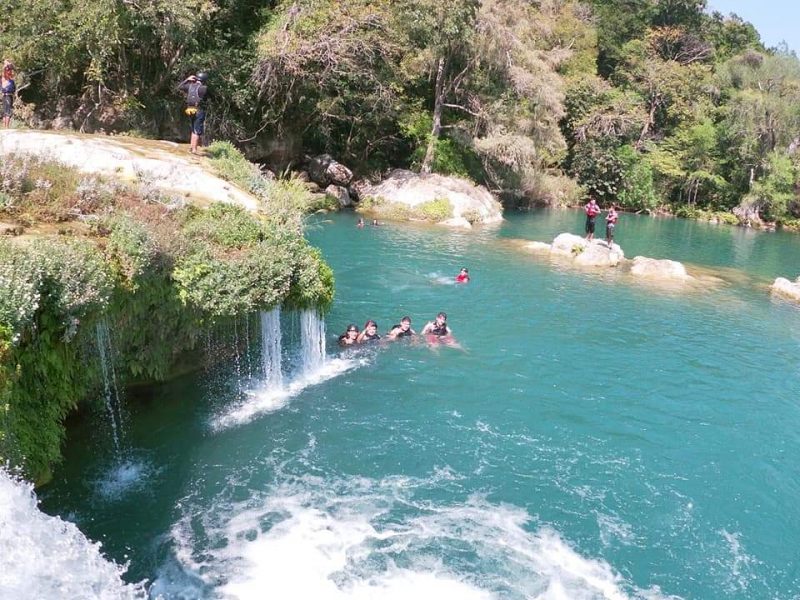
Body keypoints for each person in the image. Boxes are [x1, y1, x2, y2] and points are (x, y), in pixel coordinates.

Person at [177, 72, 212, 154]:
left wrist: (187, 80)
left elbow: (179, 87)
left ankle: (191, 147)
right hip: (199, 110)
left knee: (193, 128)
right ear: (204, 80)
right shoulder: (204, 88)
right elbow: (210, 97)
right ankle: (194, 150)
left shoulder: (190, 86)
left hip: (190, 110)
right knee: (197, 130)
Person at [2, 61, 16, 129]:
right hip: (7, 96)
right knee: (7, 112)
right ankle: (6, 127)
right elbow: (4, 71)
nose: (10, 72)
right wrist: (6, 64)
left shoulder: (11, 80)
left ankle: (5, 127)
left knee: (6, 111)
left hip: (8, 96)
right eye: (9, 71)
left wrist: (10, 64)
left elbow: (13, 69)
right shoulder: (4, 78)